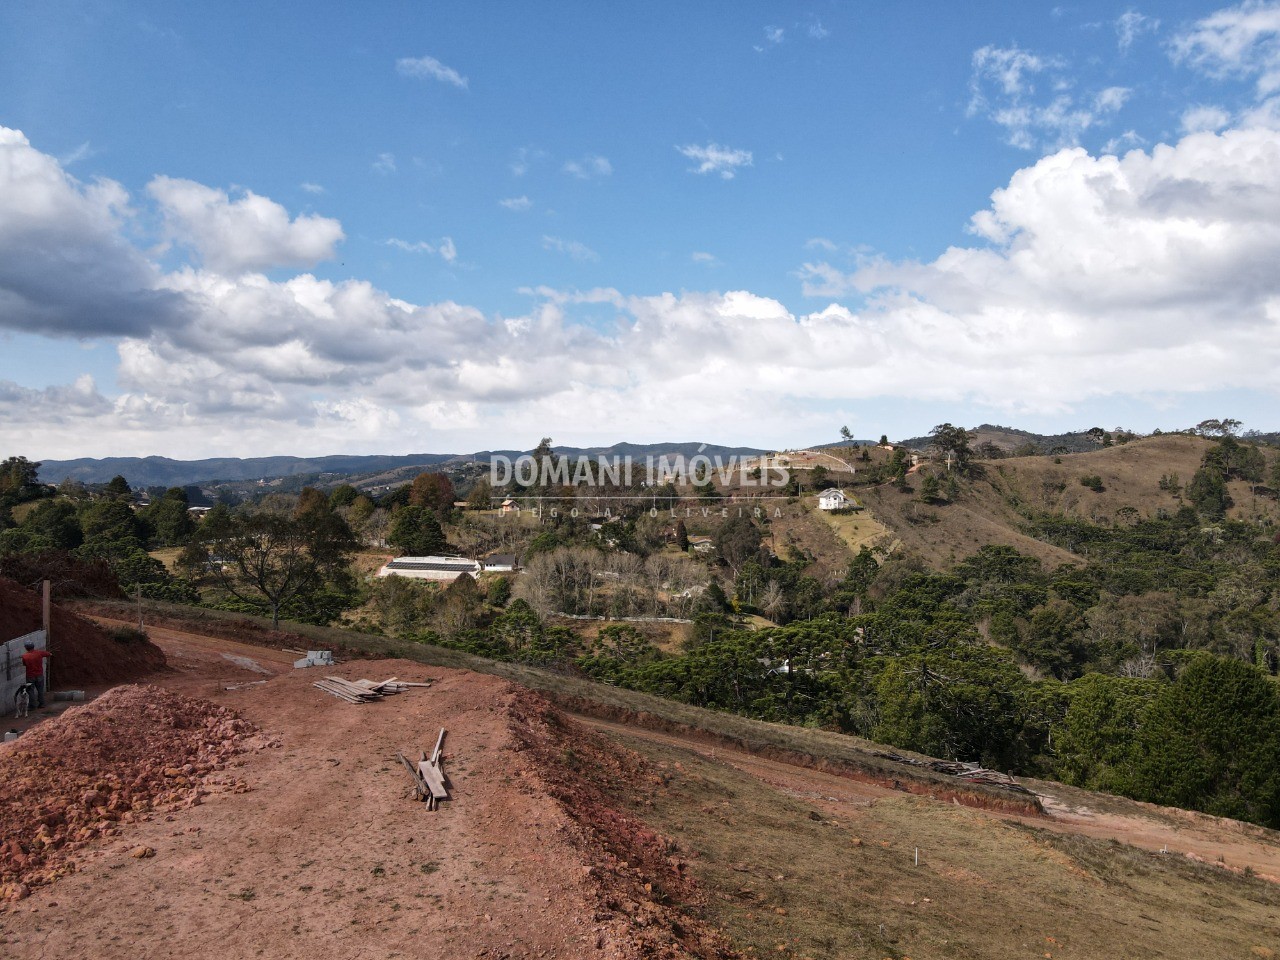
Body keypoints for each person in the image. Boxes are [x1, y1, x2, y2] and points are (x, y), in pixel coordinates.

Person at [21, 641, 51, 709]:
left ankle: (32, 706)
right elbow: (49, 654)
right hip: (39, 675)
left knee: (30, 691)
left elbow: (24, 664)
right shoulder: (39, 653)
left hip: (30, 676)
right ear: (33, 647)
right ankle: (42, 704)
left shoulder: (25, 656)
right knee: (40, 690)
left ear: (26, 648)